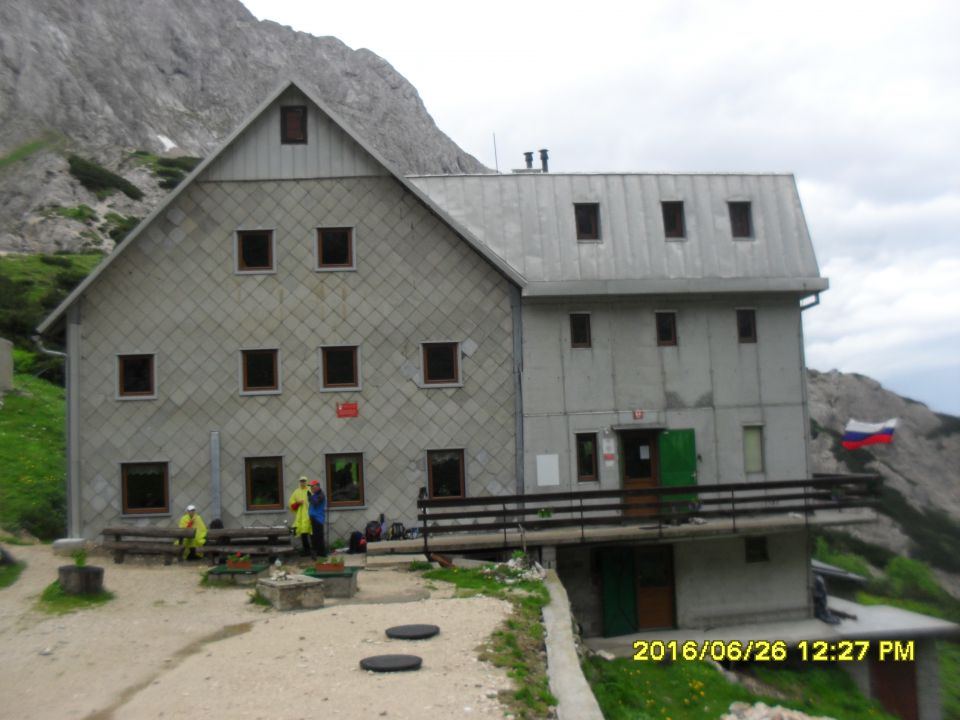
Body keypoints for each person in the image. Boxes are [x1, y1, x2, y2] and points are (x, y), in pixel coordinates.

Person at [288, 476, 312, 557]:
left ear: (306, 481)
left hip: (311, 515)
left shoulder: (310, 490)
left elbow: (316, 500)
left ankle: (315, 550)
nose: (303, 482)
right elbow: (291, 505)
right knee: (303, 534)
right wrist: (298, 503)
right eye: (301, 481)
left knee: (313, 533)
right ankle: (307, 551)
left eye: (304, 481)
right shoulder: (296, 492)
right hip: (301, 517)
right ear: (299, 482)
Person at [307, 479, 327, 558]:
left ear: (317, 486)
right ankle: (318, 553)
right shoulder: (315, 494)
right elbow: (311, 502)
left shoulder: (321, 495)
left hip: (318, 519)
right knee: (313, 536)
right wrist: (310, 497)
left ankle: (321, 553)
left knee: (318, 536)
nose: (311, 488)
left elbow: (315, 503)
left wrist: (309, 497)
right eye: (311, 487)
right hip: (313, 518)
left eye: (313, 486)